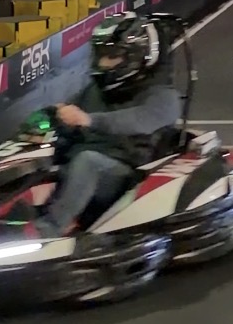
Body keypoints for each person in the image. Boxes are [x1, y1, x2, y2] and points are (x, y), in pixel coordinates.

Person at [31, 15, 181, 235]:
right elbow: (70, 121)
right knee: (35, 160)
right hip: (81, 162)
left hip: (126, 175)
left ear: (137, 56)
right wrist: (51, 121)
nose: (103, 63)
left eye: (111, 56)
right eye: (100, 55)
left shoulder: (163, 97)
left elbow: (138, 120)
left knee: (88, 161)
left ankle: (47, 231)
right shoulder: (95, 90)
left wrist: (89, 120)